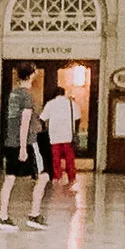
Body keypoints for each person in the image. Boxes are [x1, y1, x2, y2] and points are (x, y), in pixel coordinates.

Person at [0, 71, 42, 227]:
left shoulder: (13, 94)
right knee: (42, 176)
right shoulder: (26, 96)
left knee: (9, 179)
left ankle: (3, 215)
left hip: (10, 141)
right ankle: (34, 214)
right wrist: (23, 147)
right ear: (29, 76)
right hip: (23, 142)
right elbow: (25, 122)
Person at [36, 78, 77, 215]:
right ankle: (72, 178)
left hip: (54, 136)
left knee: (56, 158)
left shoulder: (51, 104)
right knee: (70, 158)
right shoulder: (71, 103)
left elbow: (42, 118)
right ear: (64, 93)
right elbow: (77, 117)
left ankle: (57, 178)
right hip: (68, 136)